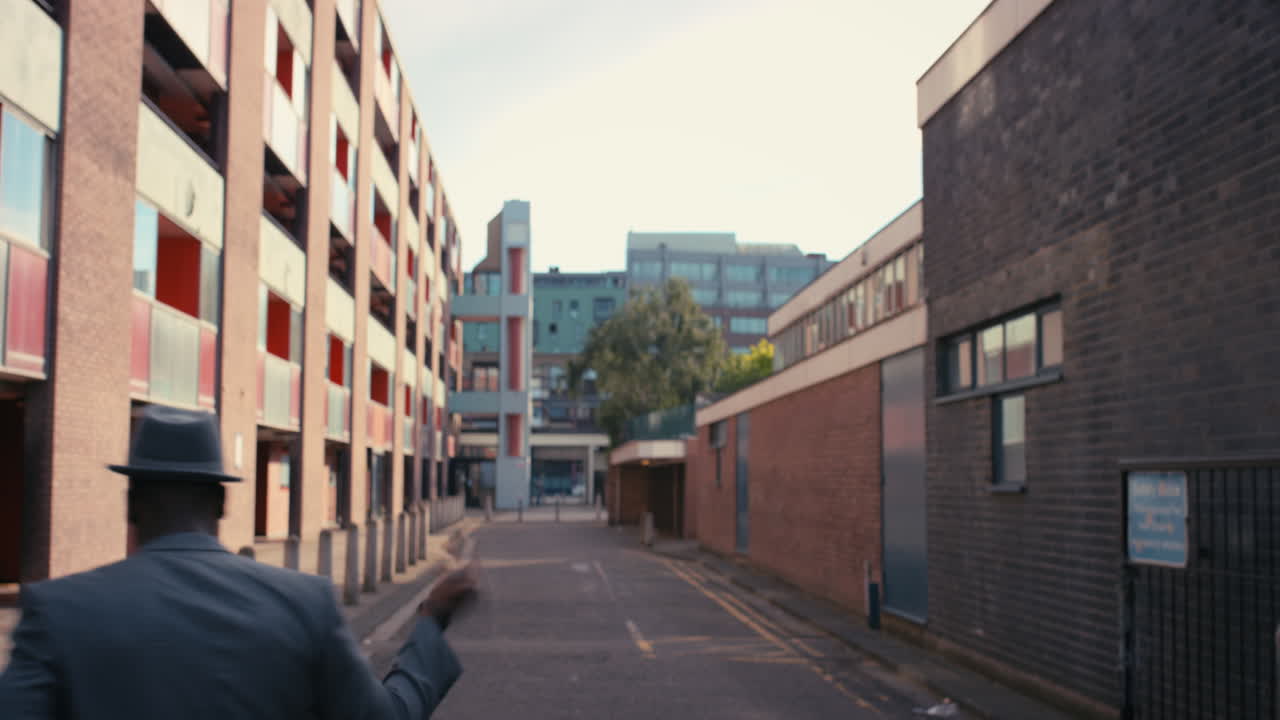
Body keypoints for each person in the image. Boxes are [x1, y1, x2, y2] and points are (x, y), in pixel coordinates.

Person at [0, 405, 476, 719]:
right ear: (222, 504)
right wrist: (429, 623)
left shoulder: (57, 611)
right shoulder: (304, 605)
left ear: (131, 504)